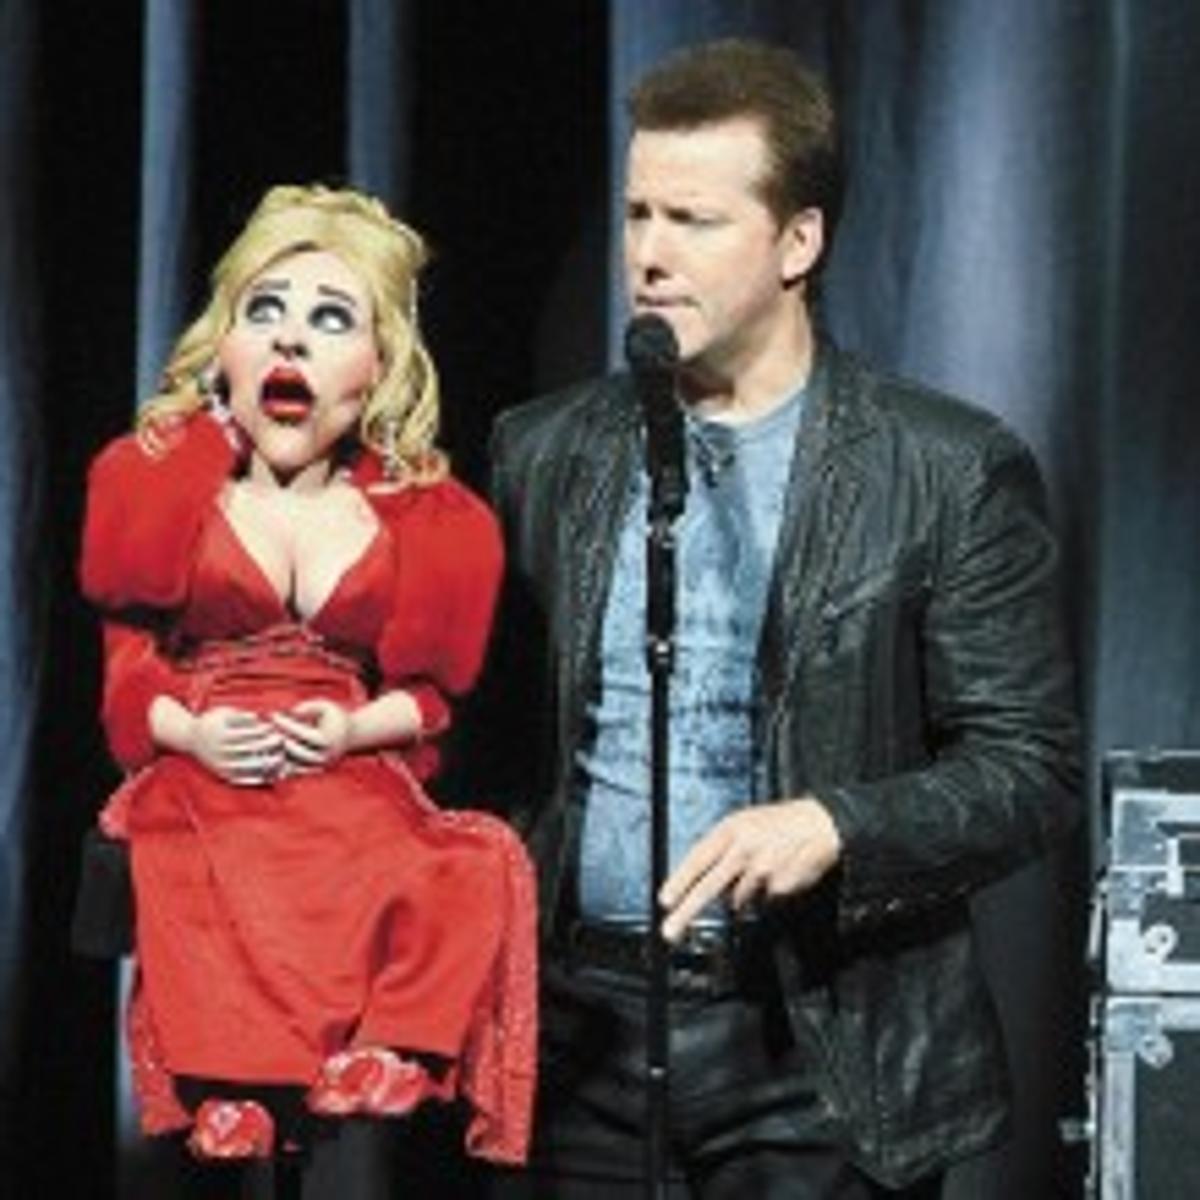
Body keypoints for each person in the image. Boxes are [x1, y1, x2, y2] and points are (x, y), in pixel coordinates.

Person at [484, 39, 1079, 1199]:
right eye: (638, 214)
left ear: (798, 243)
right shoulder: (542, 451)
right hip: (574, 1039)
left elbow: (1030, 767)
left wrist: (838, 825)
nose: (649, 255)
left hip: (814, 1048)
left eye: (694, 221)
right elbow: (488, 746)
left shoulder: (946, 467)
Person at [79, 184, 536, 1179]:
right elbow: (127, 671)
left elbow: (431, 702)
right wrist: (193, 734)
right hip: (207, 761)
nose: (290, 339)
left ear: (378, 365)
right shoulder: (164, 489)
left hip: (345, 772)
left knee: (467, 863)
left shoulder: (425, 517)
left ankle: (385, 1053)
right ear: (226, 345)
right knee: (186, 847)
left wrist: (350, 730)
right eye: (265, 311)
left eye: (331, 319)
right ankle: (230, 1083)